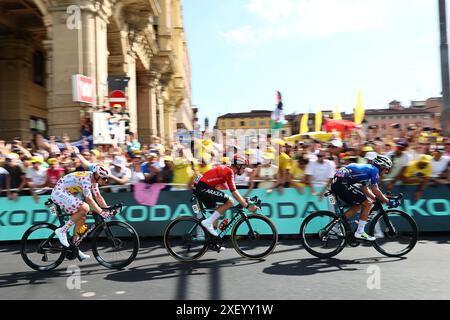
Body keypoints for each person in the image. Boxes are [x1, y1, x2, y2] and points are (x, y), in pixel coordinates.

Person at [52, 164, 112, 261]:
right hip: (59, 192)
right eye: (104, 178)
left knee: (82, 217)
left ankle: (74, 248)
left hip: (66, 193)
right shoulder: (86, 179)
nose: (105, 181)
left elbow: (98, 197)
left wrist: (107, 209)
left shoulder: (94, 181)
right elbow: (89, 198)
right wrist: (101, 212)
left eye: (106, 179)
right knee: (85, 207)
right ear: (97, 175)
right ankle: (62, 231)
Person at [330, 155, 396, 241]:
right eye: (386, 169)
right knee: (367, 203)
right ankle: (360, 232)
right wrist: (387, 201)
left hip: (339, 182)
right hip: (342, 183)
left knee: (360, 204)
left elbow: (364, 189)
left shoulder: (368, 169)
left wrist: (377, 199)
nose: (386, 172)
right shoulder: (374, 170)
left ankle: (336, 225)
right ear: (381, 166)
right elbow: (375, 189)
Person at [194, 154, 259, 238]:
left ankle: (213, 240)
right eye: (243, 168)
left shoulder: (227, 169)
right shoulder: (229, 172)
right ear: (238, 166)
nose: (244, 171)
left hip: (201, 186)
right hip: (202, 187)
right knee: (230, 201)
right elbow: (234, 192)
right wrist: (246, 206)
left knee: (216, 213)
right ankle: (208, 222)